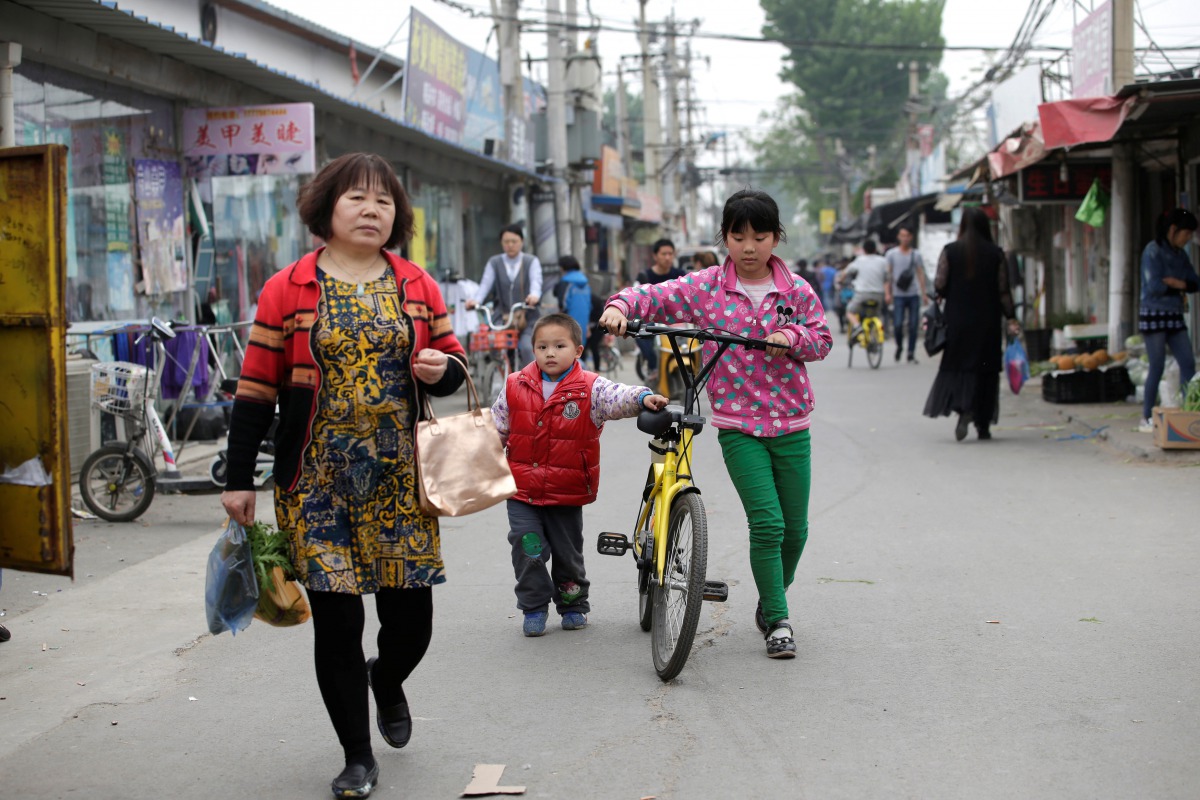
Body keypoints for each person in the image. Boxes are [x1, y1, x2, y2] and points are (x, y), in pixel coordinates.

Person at [221, 152, 467, 800]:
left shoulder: (416, 283)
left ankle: (386, 677)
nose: (371, 210)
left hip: (400, 481)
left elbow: (457, 362)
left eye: (383, 202)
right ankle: (357, 757)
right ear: (327, 207)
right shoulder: (288, 288)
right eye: (357, 198)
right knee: (335, 622)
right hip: (315, 481)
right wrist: (239, 477)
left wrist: (445, 369)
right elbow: (253, 391)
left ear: (397, 216)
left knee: (412, 621)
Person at [600, 189, 833, 659]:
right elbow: (653, 296)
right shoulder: (706, 287)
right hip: (738, 425)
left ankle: (771, 600)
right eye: (738, 236)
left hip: (792, 423)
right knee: (767, 524)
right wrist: (620, 307)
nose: (749, 247)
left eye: (760, 237)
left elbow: (822, 339)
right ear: (724, 237)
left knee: (797, 530)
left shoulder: (797, 290)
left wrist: (791, 336)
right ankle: (779, 620)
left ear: (776, 237)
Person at [490, 312, 668, 636]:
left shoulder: (590, 388)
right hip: (521, 492)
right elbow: (496, 428)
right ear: (533, 350)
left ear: (578, 351)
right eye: (542, 346)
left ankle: (573, 603)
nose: (550, 353)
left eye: (559, 345)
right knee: (527, 547)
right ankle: (533, 606)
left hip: (566, 491)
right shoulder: (514, 385)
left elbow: (618, 397)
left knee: (567, 554)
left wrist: (643, 397)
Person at [922, 206, 1020, 441]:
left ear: (963, 226)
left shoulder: (951, 251)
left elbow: (940, 284)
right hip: (987, 324)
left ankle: (963, 409)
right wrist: (1012, 318)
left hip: (958, 323)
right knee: (985, 370)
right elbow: (1003, 291)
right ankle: (983, 425)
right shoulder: (996, 254)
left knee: (959, 368)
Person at [1137, 208, 1199, 432]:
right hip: (1153, 315)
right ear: (1173, 230)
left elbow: (1194, 283)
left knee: (1188, 362)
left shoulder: (1181, 255)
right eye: (1186, 233)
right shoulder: (1152, 251)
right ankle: (1146, 417)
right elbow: (1154, 286)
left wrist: (1177, 283)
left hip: (1174, 314)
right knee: (1157, 365)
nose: (1188, 238)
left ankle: (1191, 412)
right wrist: (1178, 285)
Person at [465, 224, 542, 368]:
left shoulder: (531, 261)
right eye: (506, 242)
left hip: (527, 316)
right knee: (496, 345)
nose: (510, 245)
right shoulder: (494, 262)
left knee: (526, 347)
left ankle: (533, 382)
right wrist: (475, 301)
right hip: (503, 316)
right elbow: (485, 285)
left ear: (522, 241)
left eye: (514, 241)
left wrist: (534, 296)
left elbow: (536, 282)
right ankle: (501, 376)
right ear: (501, 243)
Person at [633, 239, 686, 381]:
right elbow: (635, 297)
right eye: (664, 254)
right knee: (640, 334)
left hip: (677, 320)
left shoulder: (681, 275)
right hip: (653, 320)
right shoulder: (644, 276)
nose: (667, 257)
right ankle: (653, 366)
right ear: (655, 256)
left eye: (670, 253)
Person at [886, 226, 928, 364]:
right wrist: (888, 292)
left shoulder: (916, 255)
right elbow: (888, 275)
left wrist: (924, 293)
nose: (905, 238)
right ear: (898, 237)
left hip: (913, 294)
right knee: (898, 324)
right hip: (898, 295)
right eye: (902, 235)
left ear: (911, 237)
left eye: (907, 235)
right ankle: (899, 346)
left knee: (913, 324)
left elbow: (920, 273)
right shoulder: (891, 254)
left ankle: (911, 352)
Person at [840, 239, 890, 335]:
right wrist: (887, 294)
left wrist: (840, 280)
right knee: (876, 314)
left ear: (864, 250)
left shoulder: (859, 260)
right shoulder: (883, 261)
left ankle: (857, 326)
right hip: (879, 294)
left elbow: (845, 272)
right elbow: (886, 279)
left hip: (862, 294)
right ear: (875, 249)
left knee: (849, 311)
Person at [552, 255, 592, 346]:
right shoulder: (585, 283)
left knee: (567, 348)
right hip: (583, 321)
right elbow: (589, 304)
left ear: (562, 267)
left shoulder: (566, 282)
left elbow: (563, 304)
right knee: (579, 350)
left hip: (568, 321)